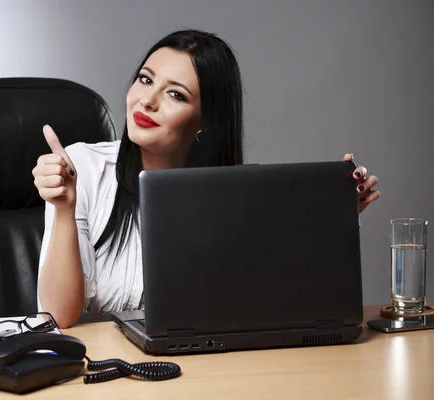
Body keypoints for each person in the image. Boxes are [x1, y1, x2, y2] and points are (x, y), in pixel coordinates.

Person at [32, 29, 380, 328]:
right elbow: (59, 317)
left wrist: (337, 220)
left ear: (205, 121)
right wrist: (65, 208)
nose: (147, 101)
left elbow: (278, 305)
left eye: (175, 94)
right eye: (145, 79)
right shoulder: (82, 167)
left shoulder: (234, 195)